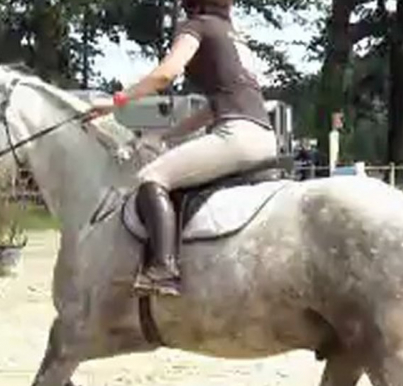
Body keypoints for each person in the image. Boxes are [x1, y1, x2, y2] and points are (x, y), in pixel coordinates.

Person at [89, 0, 277, 296]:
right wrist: (166, 136)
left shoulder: (197, 27)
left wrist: (116, 103)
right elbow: (214, 108)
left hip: (236, 135)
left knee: (151, 177)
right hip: (265, 136)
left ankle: (163, 270)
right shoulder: (232, 35)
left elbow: (166, 74)